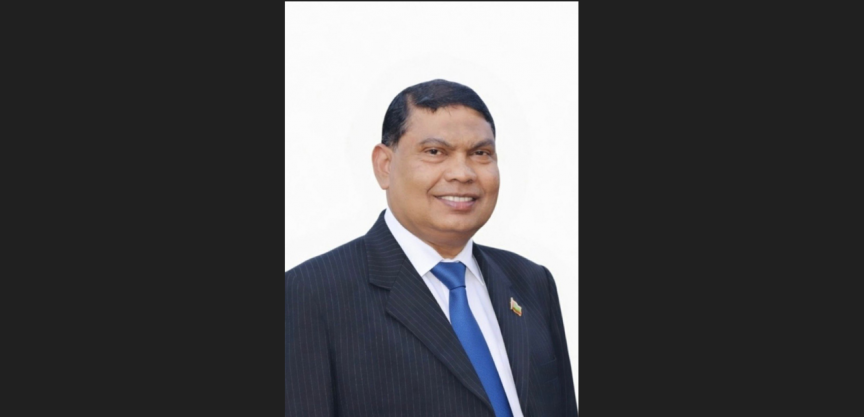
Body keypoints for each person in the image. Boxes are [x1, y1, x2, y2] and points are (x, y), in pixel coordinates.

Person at [285, 79, 577, 417]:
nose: (462, 174)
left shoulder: (531, 282)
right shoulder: (309, 294)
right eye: (435, 152)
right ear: (384, 165)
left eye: (480, 153)